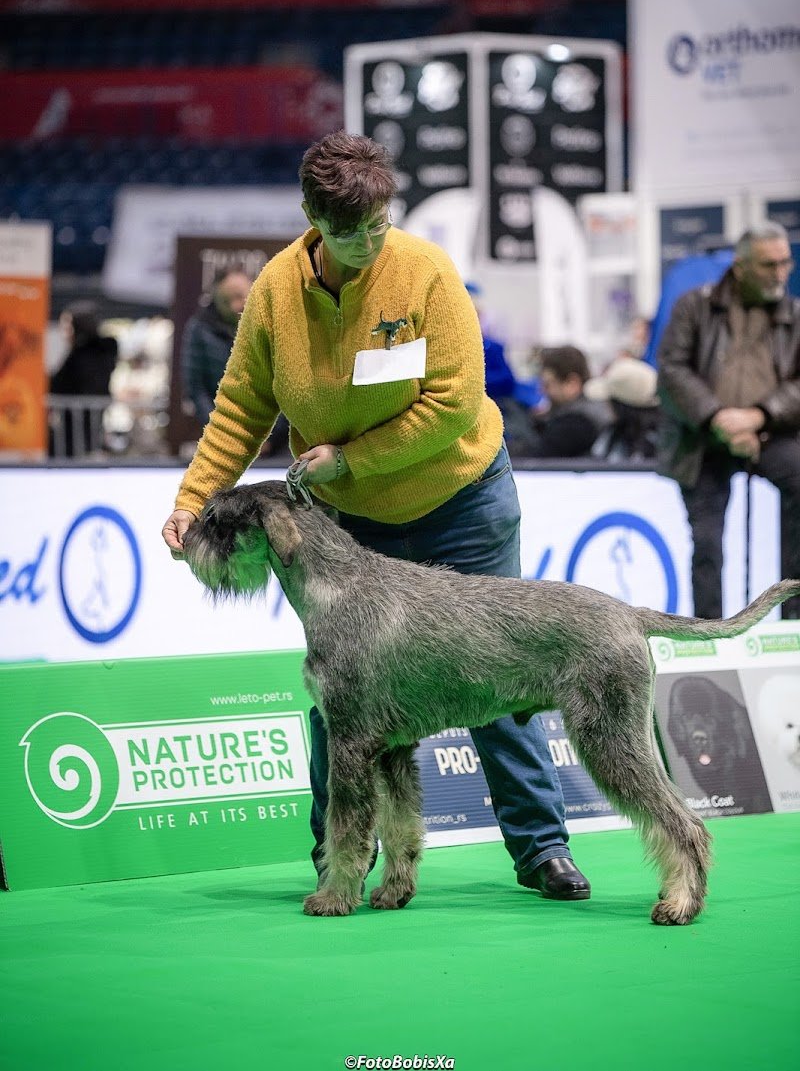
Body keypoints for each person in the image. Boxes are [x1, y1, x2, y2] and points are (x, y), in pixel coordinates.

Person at [162, 130, 590, 902]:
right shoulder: (274, 292)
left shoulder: (427, 272)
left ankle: (541, 847)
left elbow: (455, 401)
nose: (369, 242)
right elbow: (241, 406)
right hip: (350, 523)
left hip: (461, 501)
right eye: (350, 230)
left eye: (379, 223)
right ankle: (341, 857)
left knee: (499, 671)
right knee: (343, 692)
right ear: (312, 220)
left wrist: (351, 458)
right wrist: (193, 499)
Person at [657, 221, 800, 619]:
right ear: (740, 267)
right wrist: (717, 418)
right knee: (707, 544)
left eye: (785, 262)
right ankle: (709, 632)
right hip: (702, 437)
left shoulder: (795, 314)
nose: (780, 273)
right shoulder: (694, 306)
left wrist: (759, 416)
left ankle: (794, 622)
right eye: (769, 265)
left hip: (770, 432)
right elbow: (671, 371)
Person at [180, 267, 251, 427]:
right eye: (227, 300)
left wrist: (272, 433)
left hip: (270, 432)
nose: (235, 306)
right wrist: (220, 428)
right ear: (216, 299)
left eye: (240, 297)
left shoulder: (269, 326)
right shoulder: (199, 329)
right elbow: (196, 389)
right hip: (221, 428)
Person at [512, 345, 611, 458]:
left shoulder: (574, 424)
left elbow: (538, 456)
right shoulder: (593, 412)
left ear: (572, 384)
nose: (542, 390)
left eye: (548, 385)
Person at [49, 300, 118, 456]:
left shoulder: (82, 355)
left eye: (66, 326)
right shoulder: (103, 351)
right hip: (89, 426)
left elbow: (58, 384)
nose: (63, 331)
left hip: (75, 428)